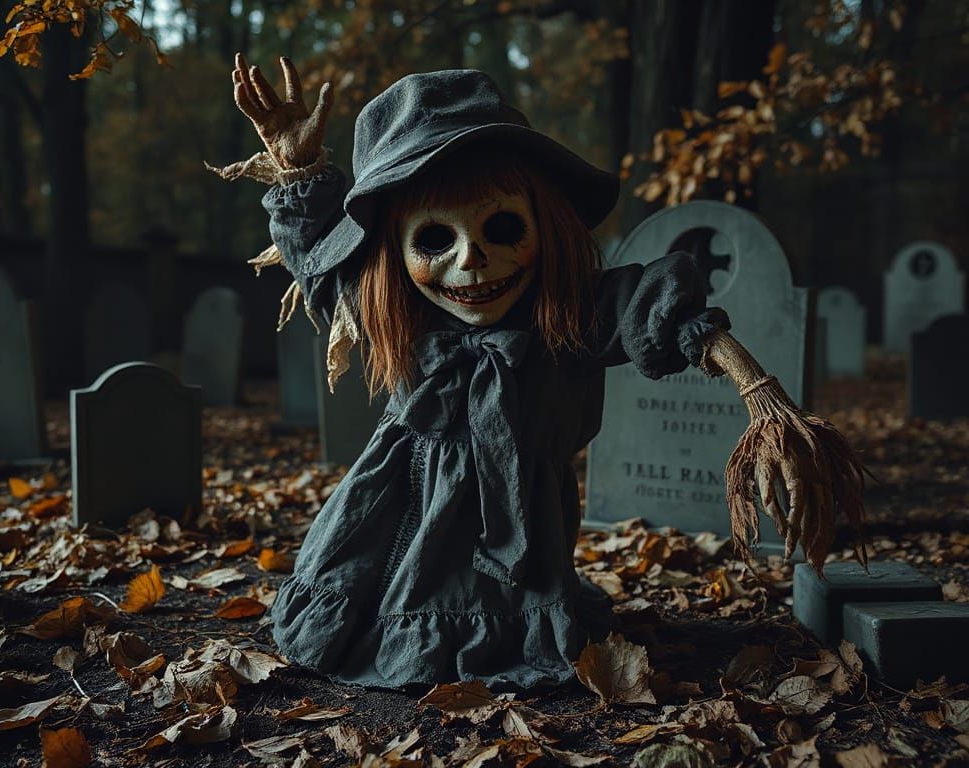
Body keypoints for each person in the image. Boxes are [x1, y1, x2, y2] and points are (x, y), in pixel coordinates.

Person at [209, 57, 865, 689]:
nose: (474, 261)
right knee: (383, 598)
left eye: (501, 227)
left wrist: (746, 377)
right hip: (396, 517)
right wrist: (295, 170)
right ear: (395, 250)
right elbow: (322, 266)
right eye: (435, 239)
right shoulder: (399, 316)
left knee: (514, 606)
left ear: (542, 225)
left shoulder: (565, 319)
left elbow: (650, 312)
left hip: (525, 516)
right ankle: (402, 637)